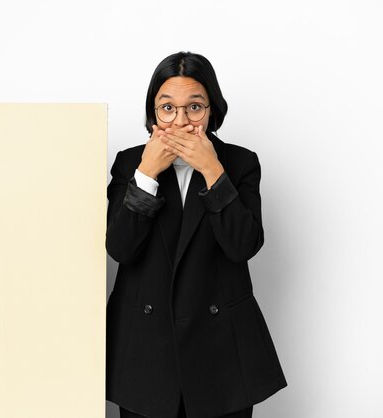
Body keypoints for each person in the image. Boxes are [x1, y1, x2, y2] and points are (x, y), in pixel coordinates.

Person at [105, 52, 287, 418]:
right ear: (153, 113)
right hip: (145, 351)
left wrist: (213, 171)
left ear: (212, 110)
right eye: (167, 108)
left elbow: (243, 246)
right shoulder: (130, 163)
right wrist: (146, 176)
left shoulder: (239, 162)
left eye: (195, 107)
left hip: (221, 353)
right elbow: (121, 248)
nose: (181, 121)